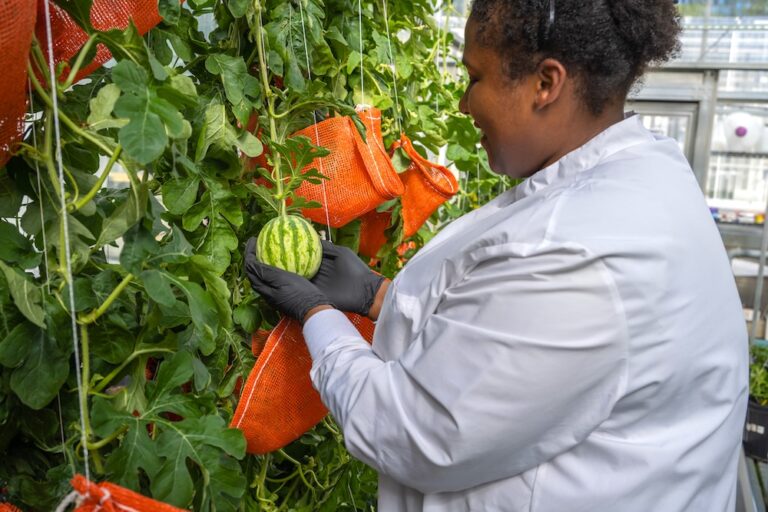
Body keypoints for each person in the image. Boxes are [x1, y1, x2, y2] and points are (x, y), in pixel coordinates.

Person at [244, 1, 749, 510]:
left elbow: (412, 434)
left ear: (545, 84)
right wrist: (382, 298)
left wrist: (317, 316)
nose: (464, 104)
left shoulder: (577, 253)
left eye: (473, 77)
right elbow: (504, 339)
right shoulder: (646, 175)